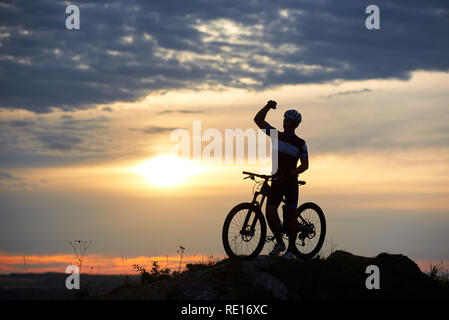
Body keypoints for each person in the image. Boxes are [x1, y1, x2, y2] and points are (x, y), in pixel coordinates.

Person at [254, 100, 309, 260]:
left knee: (291, 216)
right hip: (277, 181)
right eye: (287, 121)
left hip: (290, 183)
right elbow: (258, 120)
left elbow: (305, 166)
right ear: (284, 121)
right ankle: (280, 243)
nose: (289, 124)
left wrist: (291, 173)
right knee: (270, 212)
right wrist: (267, 106)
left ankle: (291, 250)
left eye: (292, 123)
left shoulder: (300, 143)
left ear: (296, 125)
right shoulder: (276, 135)